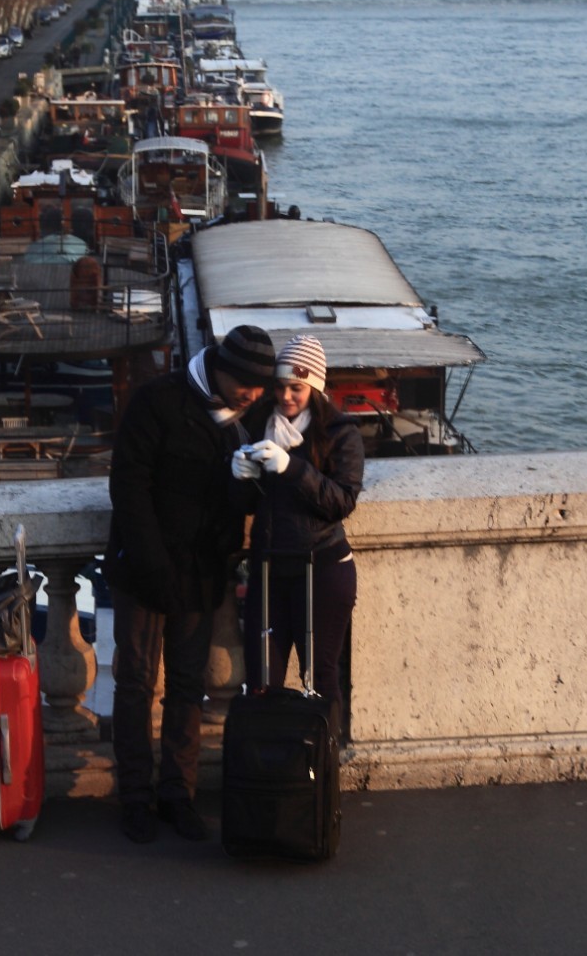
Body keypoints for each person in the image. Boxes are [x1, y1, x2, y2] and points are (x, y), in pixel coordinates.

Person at [105, 324, 276, 843]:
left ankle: (178, 794)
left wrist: (248, 485)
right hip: (144, 568)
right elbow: (129, 485)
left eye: (259, 388)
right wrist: (153, 564)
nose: (252, 395)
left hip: (203, 572)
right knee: (134, 683)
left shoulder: (246, 425)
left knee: (188, 687)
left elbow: (240, 505)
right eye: (245, 385)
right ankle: (136, 796)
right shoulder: (157, 401)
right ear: (220, 370)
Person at [235, 335, 364, 703]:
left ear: (315, 388)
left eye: (297, 388)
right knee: (260, 680)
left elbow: (342, 501)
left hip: (321, 568)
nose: (286, 396)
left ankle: (321, 760)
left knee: (320, 678)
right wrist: (239, 477)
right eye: (280, 387)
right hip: (269, 570)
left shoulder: (341, 433)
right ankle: (270, 760)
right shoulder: (260, 424)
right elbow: (247, 505)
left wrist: (293, 469)